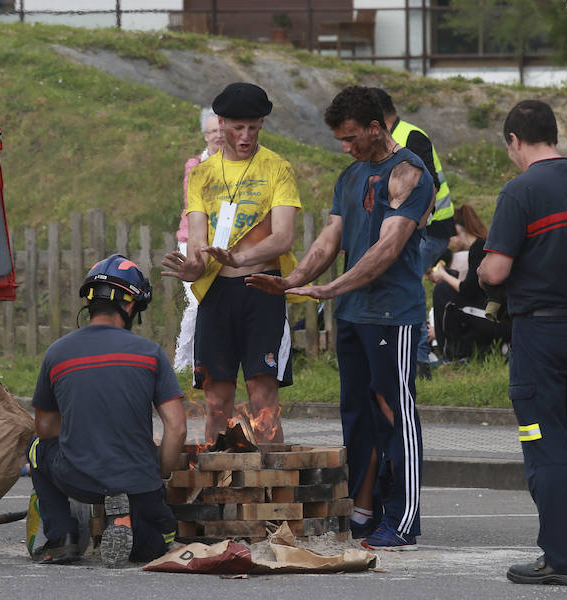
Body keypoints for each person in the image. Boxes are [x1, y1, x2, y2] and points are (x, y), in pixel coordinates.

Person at [248, 86, 434, 550]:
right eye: (341, 140)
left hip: (393, 314)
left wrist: (329, 288)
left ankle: (404, 518)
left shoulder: (409, 172)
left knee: (395, 413)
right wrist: (293, 281)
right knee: (357, 412)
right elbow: (329, 240)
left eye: (351, 138)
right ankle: (364, 510)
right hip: (353, 312)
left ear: (376, 127)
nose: (345, 147)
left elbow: (388, 248)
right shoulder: (350, 176)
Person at [477, 100, 567, 586]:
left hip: (541, 335)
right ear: (553, 134)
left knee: (544, 447)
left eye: (509, 149)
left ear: (515, 140)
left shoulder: (521, 192)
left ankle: (561, 560)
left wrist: (481, 270)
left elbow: (495, 270)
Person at [161, 82, 301, 445]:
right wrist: (191, 268)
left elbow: (283, 237)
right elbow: (197, 243)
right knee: (217, 400)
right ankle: (218, 485)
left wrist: (240, 257)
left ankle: (272, 489)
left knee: (262, 396)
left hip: (262, 286)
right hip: (217, 293)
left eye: (254, 127)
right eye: (238, 127)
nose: (246, 136)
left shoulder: (278, 168)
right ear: (220, 124)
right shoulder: (203, 174)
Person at [27, 254, 187, 567]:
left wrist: (83, 430)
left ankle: (62, 537)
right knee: (162, 540)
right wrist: (161, 473)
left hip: (78, 479)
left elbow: (44, 429)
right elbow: (177, 428)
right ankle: (127, 522)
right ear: (130, 306)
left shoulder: (57, 353)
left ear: (89, 303)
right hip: (139, 482)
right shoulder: (151, 354)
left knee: (36, 450)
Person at [372, 88, 456, 379]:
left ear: (378, 117)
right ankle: (408, 355)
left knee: (406, 284)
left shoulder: (411, 136)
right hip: (409, 228)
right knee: (402, 284)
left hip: (429, 229)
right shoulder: (386, 139)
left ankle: (420, 359)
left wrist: (412, 226)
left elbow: (428, 186)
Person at [425, 204, 510, 361]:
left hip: (497, 319)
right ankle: (461, 352)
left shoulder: (478, 247)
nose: (448, 244)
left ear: (457, 231)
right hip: (499, 315)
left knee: (443, 291)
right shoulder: (486, 244)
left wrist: (443, 275)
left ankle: (449, 354)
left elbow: (468, 291)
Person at [174, 107, 224, 372]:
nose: (218, 135)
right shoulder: (195, 165)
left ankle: (209, 359)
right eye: (212, 131)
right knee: (196, 299)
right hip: (192, 239)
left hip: (223, 241)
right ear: (205, 135)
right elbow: (193, 202)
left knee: (219, 302)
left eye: (220, 130)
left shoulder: (234, 163)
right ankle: (183, 363)